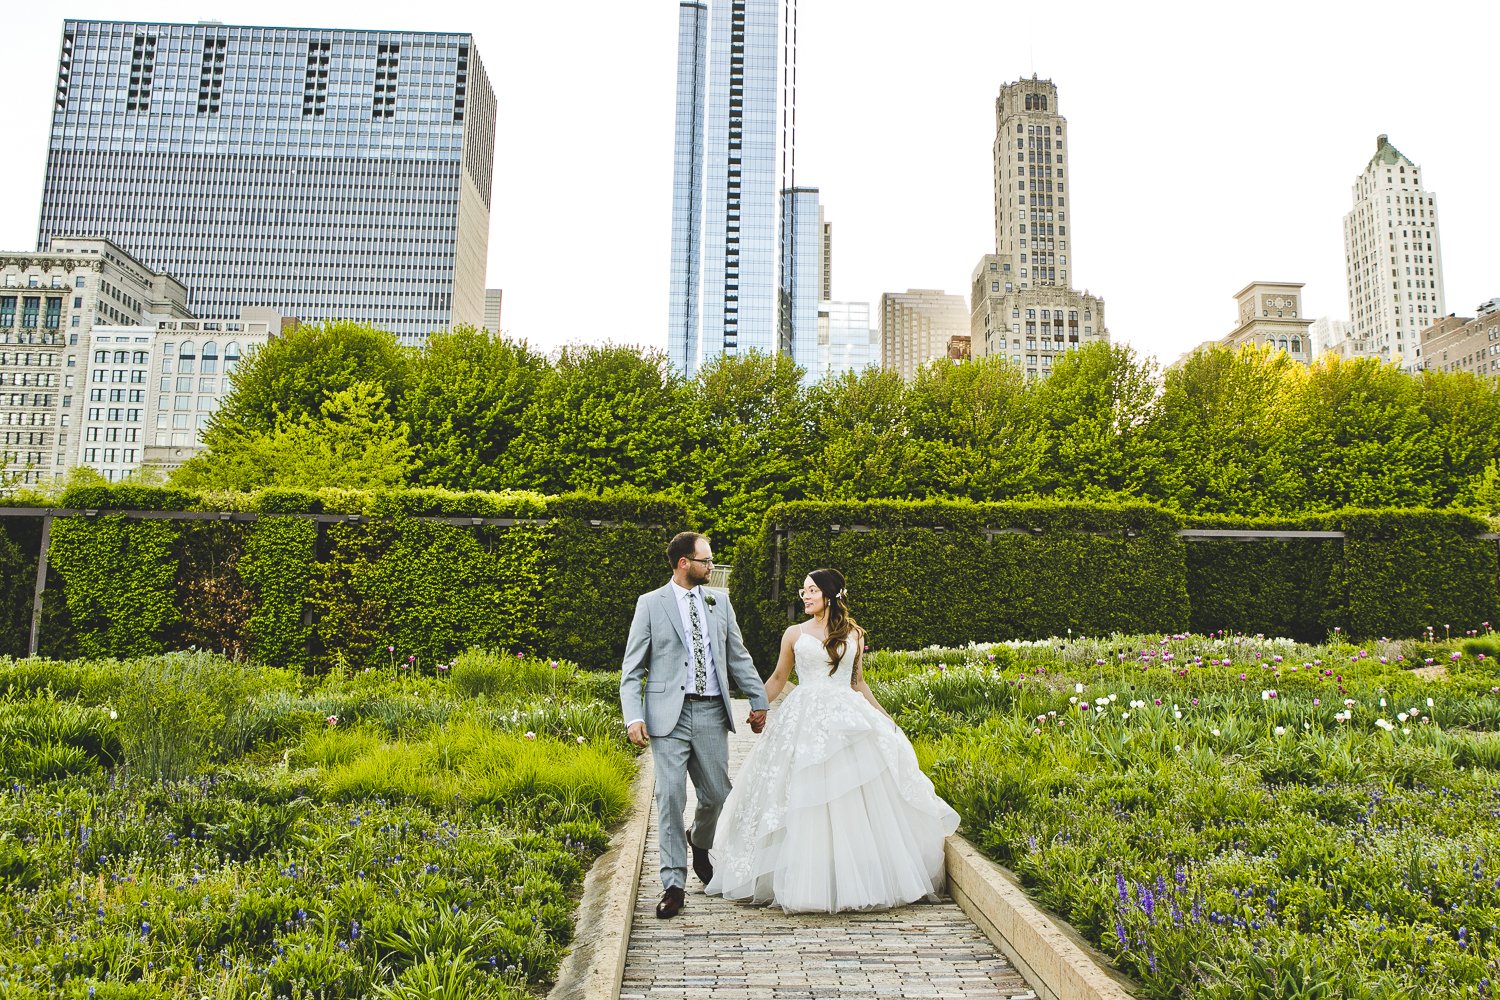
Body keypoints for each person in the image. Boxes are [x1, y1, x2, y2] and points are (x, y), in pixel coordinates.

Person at [705, 567, 959, 913]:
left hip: (847, 717)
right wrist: (758, 707)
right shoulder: (794, 634)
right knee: (801, 795)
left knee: (850, 797)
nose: (805, 596)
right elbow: (780, 677)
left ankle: (853, 878)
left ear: (829, 594)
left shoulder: (853, 633)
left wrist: (884, 718)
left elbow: (857, 682)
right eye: (803, 591)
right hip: (803, 717)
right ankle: (804, 877)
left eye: (810, 590)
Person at [620, 531, 770, 919]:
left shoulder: (719, 601)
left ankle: (699, 841)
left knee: (718, 795)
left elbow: (738, 656)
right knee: (669, 797)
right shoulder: (650, 604)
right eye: (706, 560)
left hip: (709, 713)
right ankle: (673, 884)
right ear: (684, 563)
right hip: (666, 717)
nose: (711, 566)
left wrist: (759, 700)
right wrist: (633, 715)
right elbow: (633, 668)